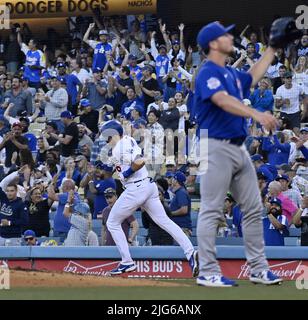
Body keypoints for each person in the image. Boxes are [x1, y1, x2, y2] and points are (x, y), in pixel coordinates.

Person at [194, 21, 284, 287]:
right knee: (211, 209)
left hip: (237, 147)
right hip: (214, 146)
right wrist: (256, 113)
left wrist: (272, 48)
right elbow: (222, 100)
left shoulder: (230, 73)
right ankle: (208, 271)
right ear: (213, 43)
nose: (230, 36)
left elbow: (252, 76)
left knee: (255, 209)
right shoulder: (206, 72)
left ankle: (258, 268)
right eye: (224, 34)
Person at [100, 121, 198, 276]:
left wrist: (125, 174)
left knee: (112, 222)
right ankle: (191, 252)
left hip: (136, 188)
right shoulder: (126, 142)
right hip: (148, 186)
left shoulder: (120, 146)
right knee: (164, 221)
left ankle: (126, 262)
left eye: (106, 134)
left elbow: (139, 161)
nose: (104, 138)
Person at [0, 167, 29, 238]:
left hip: (14, 237)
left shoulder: (21, 204)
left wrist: (9, 223)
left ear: (16, 191)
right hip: (1, 236)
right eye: (8, 191)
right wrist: (16, 173)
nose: (9, 193)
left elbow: (24, 221)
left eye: (12, 191)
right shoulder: (4, 199)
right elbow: (3, 183)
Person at [169, 171, 192, 238]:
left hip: (183, 228)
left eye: (173, 178)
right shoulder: (179, 192)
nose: (172, 180)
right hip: (179, 227)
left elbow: (184, 210)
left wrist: (171, 213)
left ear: (176, 181)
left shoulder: (181, 192)